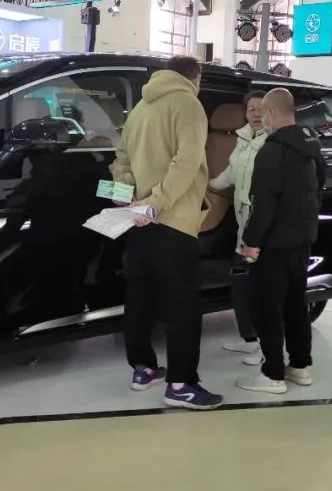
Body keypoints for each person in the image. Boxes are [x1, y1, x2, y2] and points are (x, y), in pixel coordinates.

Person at [110, 56, 223, 411]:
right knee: (183, 306)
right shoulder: (188, 104)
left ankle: (143, 369)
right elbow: (187, 162)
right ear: (195, 78)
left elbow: (121, 159)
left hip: (137, 220)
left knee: (139, 300)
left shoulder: (140, 108)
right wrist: (155, 204)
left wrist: (128, 196)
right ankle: (182, 385)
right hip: (172, 221)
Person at [235, 88, 326, 394]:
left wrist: (251, 241)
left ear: (271, 113)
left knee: (268, 308)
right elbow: (320, 187)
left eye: (263, 113)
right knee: (296, 305)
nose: (261, 118)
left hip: (273, 244)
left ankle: (272, 373)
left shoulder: (272, 151)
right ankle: (300, 366)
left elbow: (264, 203)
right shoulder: (312, 147)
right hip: (302, 239)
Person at [208, 90, 268, 361]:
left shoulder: (273, 143)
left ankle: (266, 348)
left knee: (260, 291)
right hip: (244, 230)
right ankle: (250, 339)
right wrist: (205, 185)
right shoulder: (243, 139)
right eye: (250, 109)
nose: (255, 114)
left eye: (260, 109)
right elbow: (230, 174)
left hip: (262, 232)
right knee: (240, 286)